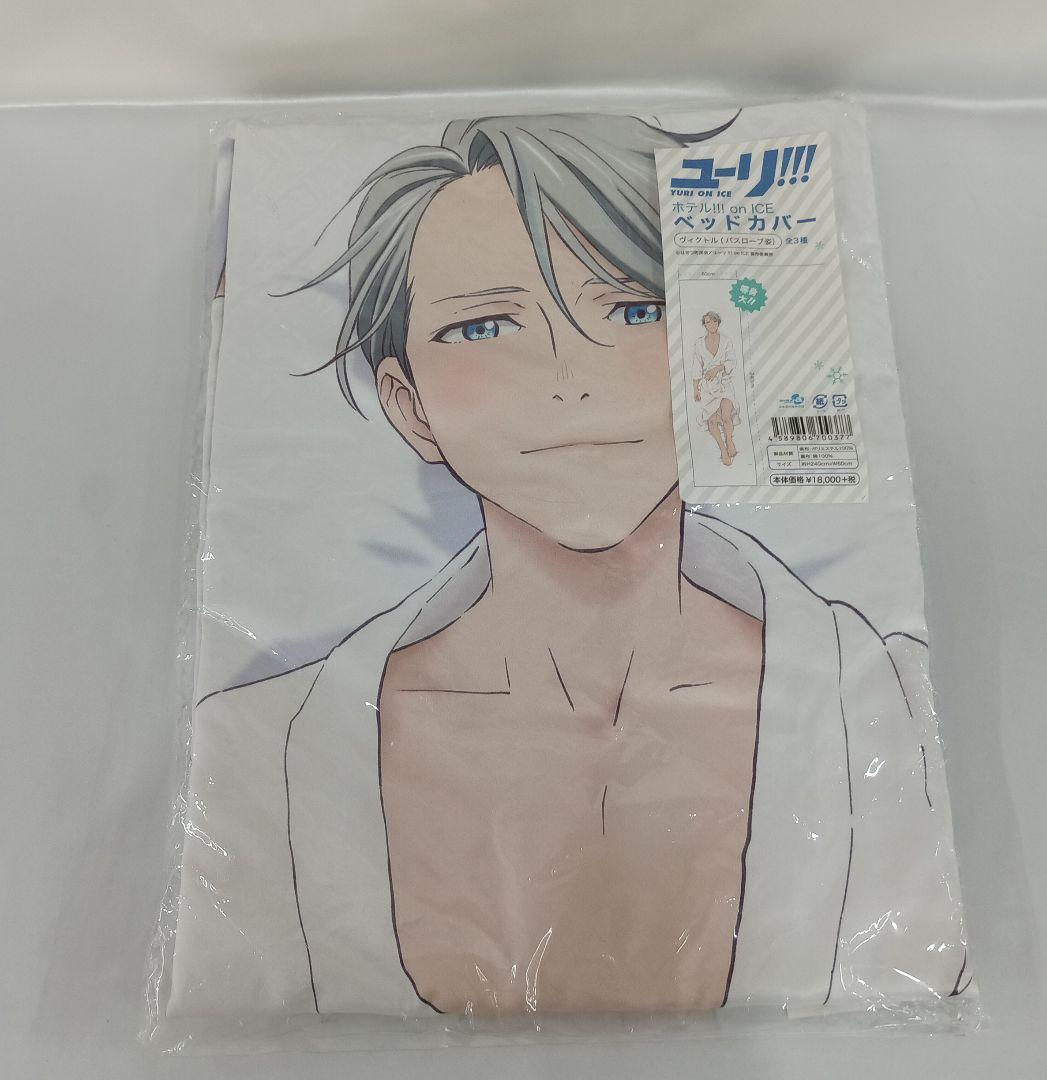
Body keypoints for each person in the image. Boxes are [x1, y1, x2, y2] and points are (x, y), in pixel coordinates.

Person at [170, 114, 970, 1020]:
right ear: (409, 405)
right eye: (483, 326)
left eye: (636, 310)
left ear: (721, 353)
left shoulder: (896, 711)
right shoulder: (255, 753)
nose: (568, 375)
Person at [692, 310, 741, 464]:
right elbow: (696, 367)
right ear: (704, 325)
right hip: (707, 388)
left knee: (726, 416)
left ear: (718, 323)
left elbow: (732, 361)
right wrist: (696, 389)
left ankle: (729, 441)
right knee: (711, 421)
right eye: (708, 322)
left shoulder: (726, 341)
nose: (711, 324)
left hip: (723, 384)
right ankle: (723, 451)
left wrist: (718, 369)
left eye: (714, 321)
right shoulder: (699, 344)